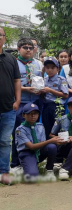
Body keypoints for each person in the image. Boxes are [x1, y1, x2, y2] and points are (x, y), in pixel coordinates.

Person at [10, 38, 43, 175]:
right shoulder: (13, 63)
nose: (28, 50)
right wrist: (25, 89)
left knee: (35, 131)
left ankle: (35, 160)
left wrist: (41, 89)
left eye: (31, 47)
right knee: (18, 132)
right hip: (21, 102)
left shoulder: (38, 64)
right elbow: (11, 84)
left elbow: (41, 80)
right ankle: (15, 164)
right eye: (25, 47)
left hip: (35, 102)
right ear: (19, 49)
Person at [15, 103, 63, 178]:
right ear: (24, 115)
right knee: (32, 176)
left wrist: (51, 141)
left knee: (52, 147)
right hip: (27, 153)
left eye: (35, 113)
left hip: (39, 151)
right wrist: (50, 140)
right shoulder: (20, 130)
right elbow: (31, 146)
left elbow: (42, 143)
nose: (33, 116)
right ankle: (25, 165)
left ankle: (49, 169)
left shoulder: (40, 126)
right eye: (30, 114)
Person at [0, 27, 21, 185]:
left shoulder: (11, 59)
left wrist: (17, 101)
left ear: (4, 38)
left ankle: (3, 172)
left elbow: (16, 81)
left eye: (0, 35)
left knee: (5, 141)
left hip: (8, 108)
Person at [41, 57, 69, 139]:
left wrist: (50, 90)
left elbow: (65, 95)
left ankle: (59, 149)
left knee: (58, 128)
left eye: (52, 68)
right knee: (47, 127)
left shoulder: (61, 79)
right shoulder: (44, 79)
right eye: (47, 67)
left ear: (58, 69)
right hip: (46, 106)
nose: (50, 70)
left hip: (57, 107)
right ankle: (49, 148)